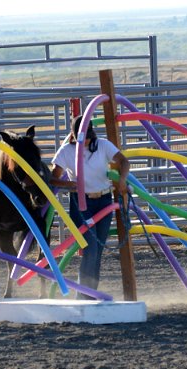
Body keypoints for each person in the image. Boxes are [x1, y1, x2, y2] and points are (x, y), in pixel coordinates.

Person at [49, 116, 130, 296]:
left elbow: (124, 161)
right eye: (80, 136)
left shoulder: (103, 145)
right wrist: (70, 185)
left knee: (98, 251)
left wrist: (122, 180)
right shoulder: (66, 151)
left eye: (86, 136)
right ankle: (82, 295)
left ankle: (91, 293)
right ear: (73, 135)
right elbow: (52, 178)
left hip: (103, 201)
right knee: (90, 249)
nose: (84, 140)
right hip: (80, 204)